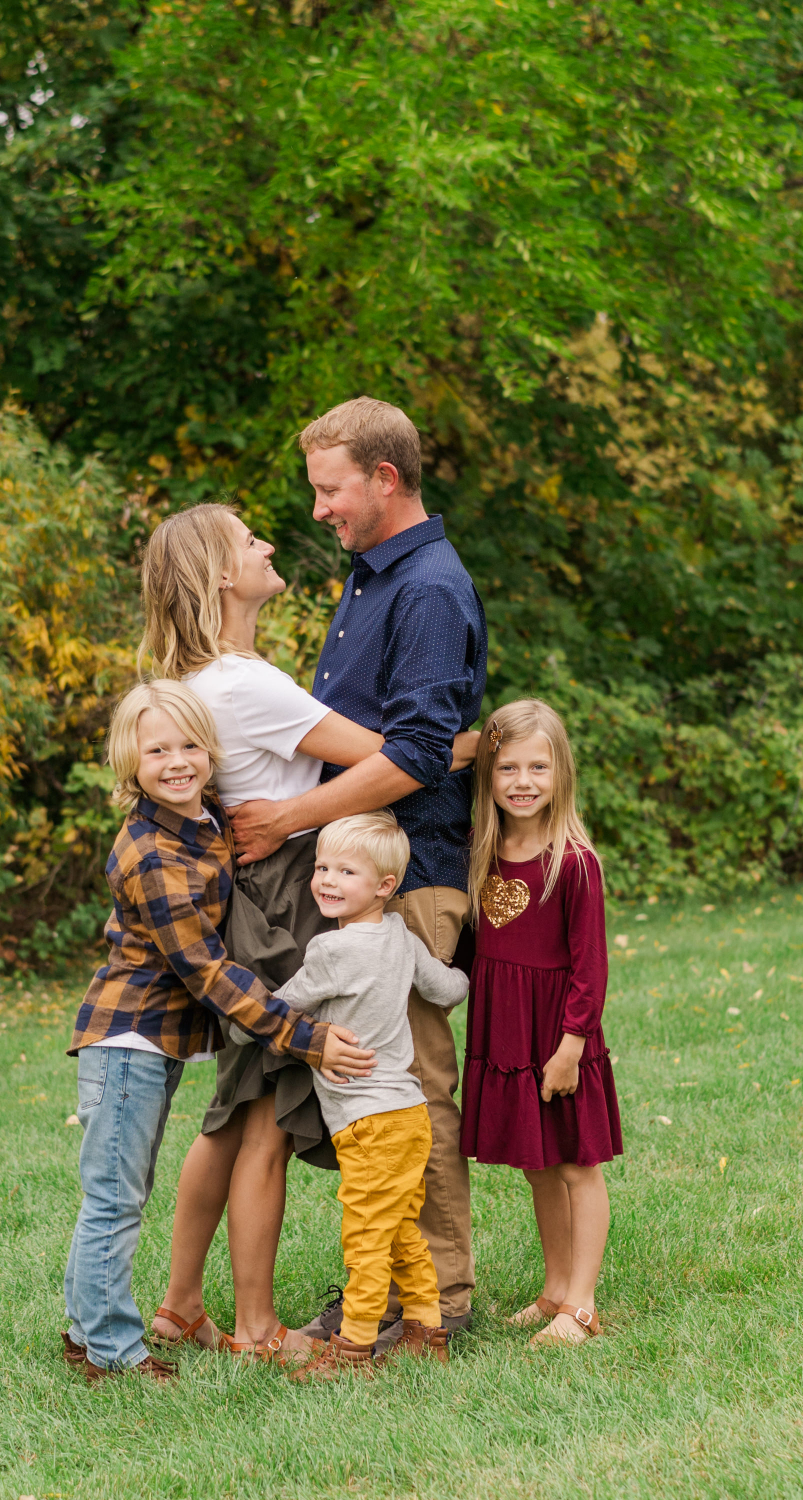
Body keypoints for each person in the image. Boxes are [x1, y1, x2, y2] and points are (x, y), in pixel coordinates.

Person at [139, 504, 476, 1361]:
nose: (269, 544)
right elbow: (398, 756)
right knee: (261, 1120)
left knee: (239, 1108)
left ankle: (183, 1304)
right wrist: (491, 741)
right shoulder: (240, 683)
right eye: (249, 540)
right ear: (219, 573)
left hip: (267, 891)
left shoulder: (226, 675)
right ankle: (251, 1326)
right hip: (285, 900)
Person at [229, 397, 487, 1342]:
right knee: (378, 1082)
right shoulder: (372, 575)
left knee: (411, 1086)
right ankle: (393, 1282)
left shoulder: (425, 587)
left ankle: (440, 1299)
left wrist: (287, 819)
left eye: (330, 491)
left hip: (409, 876)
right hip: (366, 872)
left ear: (385, 479)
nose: (318, 511)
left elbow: (417, 750)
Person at [62, 679, 374, 1382]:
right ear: (128, 763)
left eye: (191, 745)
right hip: (126, 1042)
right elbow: (207, 972)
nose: (178, 761)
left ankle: (86, 1331)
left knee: (118, 1190)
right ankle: (113, 1350)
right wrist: (305, 1036)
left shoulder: (200, 826)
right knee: (114, 1198)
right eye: (157, 750)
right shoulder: (150, 854)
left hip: (153, 1045)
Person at [270, 812, 470, 1379]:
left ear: (385, 886)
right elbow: (445, 986)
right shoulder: (402, 938)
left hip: (368, 1122)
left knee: (365, 1238)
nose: (327, 880)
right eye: (322, 867)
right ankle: (426, 1332)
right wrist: (478, 974)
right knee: (401, 1228)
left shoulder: (329, 952)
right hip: (408, 1114)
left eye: (345, 871)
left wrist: (234, 1014)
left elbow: (280, 1010)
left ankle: (354, 1349)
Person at [459, 699, 622, 1347]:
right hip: (506, 1033)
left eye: (538, 767)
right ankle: (554, 1288)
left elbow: (591, 966)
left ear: (561, 774)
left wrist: (572, 1044)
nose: (522, 781)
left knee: (579, 1163)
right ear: (488, 778)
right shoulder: (484, 852)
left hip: (559, 1036)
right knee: (538, 1166)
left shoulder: (573, 860)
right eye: (507, 769)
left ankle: (581, 1305)